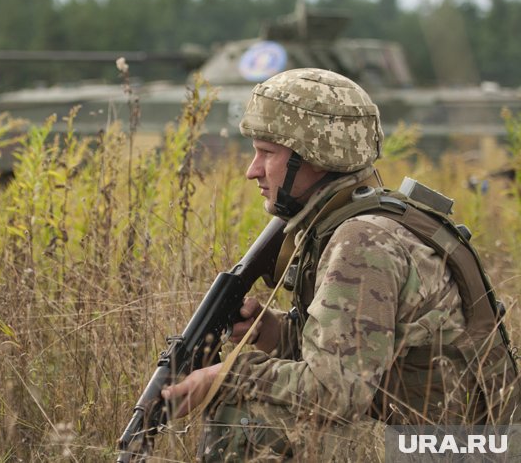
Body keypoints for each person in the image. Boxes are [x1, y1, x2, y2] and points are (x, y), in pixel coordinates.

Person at [160, 68, 518, 461]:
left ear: (313, 156)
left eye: (267, 153)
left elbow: (336, 391)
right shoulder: (372, 218)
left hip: (462, 450)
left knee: (250, 410)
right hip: (472, 440)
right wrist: (274, 331)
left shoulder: (362, 240)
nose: (253, 170)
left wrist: (226, 376)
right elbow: (367, 349)